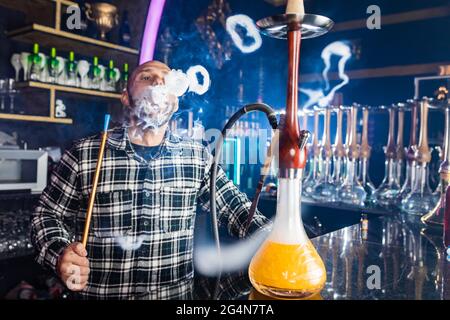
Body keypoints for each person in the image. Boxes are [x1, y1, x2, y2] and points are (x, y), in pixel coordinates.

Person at [30, 60, 270, 299]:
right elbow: (47, 215)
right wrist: (60, 254)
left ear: (174, 101)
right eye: (146, 77)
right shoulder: (86, 153)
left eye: (166, 78)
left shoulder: (197, 157)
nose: (157, 82)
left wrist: (275, 239)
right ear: (126, 97)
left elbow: (238, 210)